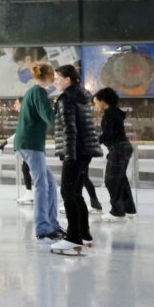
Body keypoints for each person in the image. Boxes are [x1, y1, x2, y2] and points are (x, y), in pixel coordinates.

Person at [50, 65, 103, 256]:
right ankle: (84, 234)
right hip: (85, 151)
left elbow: (70, 129)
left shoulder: (67, 99)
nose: (55, 81)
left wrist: (69, 156)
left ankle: (73, 239)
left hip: (75, 151)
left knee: (67, 192)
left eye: (58, 78)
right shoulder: (82, 96)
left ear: (68, 80)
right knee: (77, 193)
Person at [12, 64, 63, 243]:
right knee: (42, 184)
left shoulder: (32, 92)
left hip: (28, 143)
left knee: (49, 182)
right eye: (54, 76)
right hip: (31, 144)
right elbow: (50, 118)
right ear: (48, 76)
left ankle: (52, 223)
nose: (55, 79)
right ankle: (43, 227)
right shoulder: (39, 93)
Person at [94, 87, 138, 222]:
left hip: (118, 148)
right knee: (120, 179)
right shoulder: (115, 113)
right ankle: (129, 209)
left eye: (95, 102)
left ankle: (117, 211)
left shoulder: (109, 114)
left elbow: (108, 134)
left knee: (111, 180)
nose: (95, 105)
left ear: (103, 101)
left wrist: (94, 141)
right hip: (123, 147)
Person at [0, 97, 34, 205]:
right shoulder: (25, 115)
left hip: (30, 147)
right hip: (29, 147)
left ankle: (33, 194)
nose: (14, 105)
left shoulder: (26, 115)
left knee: (33, 171)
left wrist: (6, 142)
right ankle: (30, 193)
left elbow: (21, 133)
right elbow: (19, 133)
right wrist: (6, 142)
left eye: (16, 103)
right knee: (27, 169)